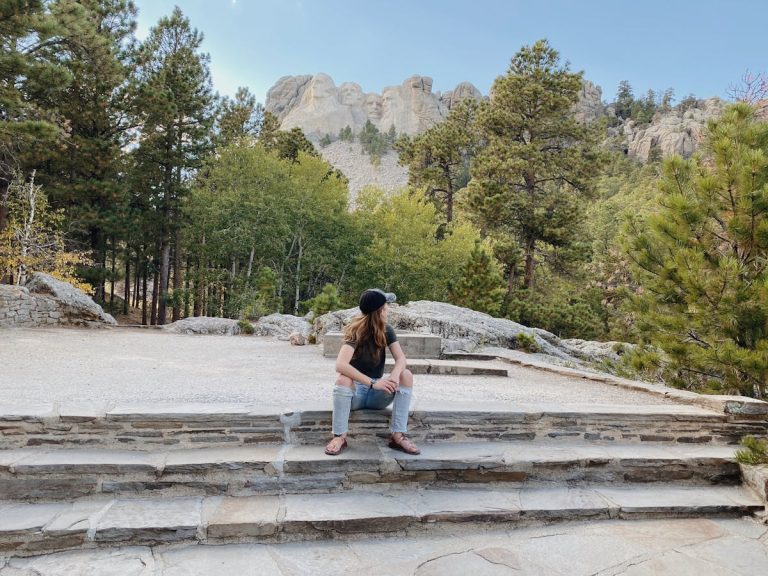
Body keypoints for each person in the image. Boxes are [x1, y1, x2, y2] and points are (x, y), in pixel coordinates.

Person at [324, 288, 420, 456]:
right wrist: (373, 383)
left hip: (378, 395)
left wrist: (395, 376)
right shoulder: (356, 331)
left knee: (406, 375)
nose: (388, 309)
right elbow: (340, 364)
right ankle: (339, 437)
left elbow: (401, 359)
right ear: (381, 310)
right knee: (343, 380)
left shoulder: (386, 330)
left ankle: (398, 436)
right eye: (386, 306)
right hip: (356, 395)